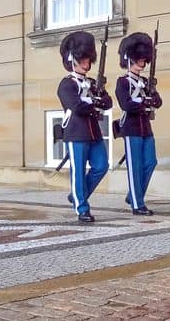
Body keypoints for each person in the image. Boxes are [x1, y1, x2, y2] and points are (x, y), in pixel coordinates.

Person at [58, 31, 112, 223]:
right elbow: (77, 106)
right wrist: (94, 102)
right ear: (73, 59)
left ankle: (77, 195)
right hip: (76, 132)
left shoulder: (92, 83)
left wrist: (97, 100)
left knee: (101, 166)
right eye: (82, 59)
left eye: (88, 59)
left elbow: (108, 102)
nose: (86, 63)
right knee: (78, 171)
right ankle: (82, 208)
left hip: (93, 132)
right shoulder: (66, 84)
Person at [115, 32, 161, 215]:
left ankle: (134, 194)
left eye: (143, 60)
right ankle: (137, 203)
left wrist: (152, 96)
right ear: (130, 59)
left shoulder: (146, 82)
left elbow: (158, 101)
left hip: (145, 128)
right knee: (134, 166)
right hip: (131, 128)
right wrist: (144, 102)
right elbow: (125, 103)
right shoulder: (123, 82)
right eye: (139, 59)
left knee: (150, 162)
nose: (142, 63)